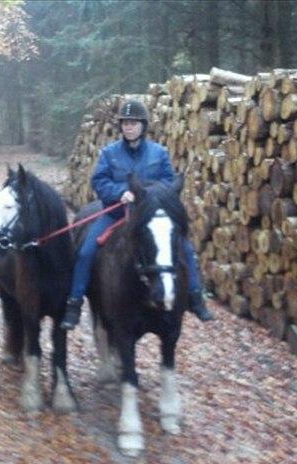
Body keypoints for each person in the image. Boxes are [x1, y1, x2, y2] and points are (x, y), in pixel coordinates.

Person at [60, 99, 214, 330]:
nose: (129, 127)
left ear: (143, 125)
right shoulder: (109, 153)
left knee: (186, 249)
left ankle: (195, 296)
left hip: (150, 216)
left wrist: (148, 196)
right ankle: (74, 302)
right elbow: (99, 181)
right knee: (85, 252)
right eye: (125, 123)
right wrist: (120, 192)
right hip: (116, 214)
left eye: (133, 123)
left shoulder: (159, 152)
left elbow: (168, 182)